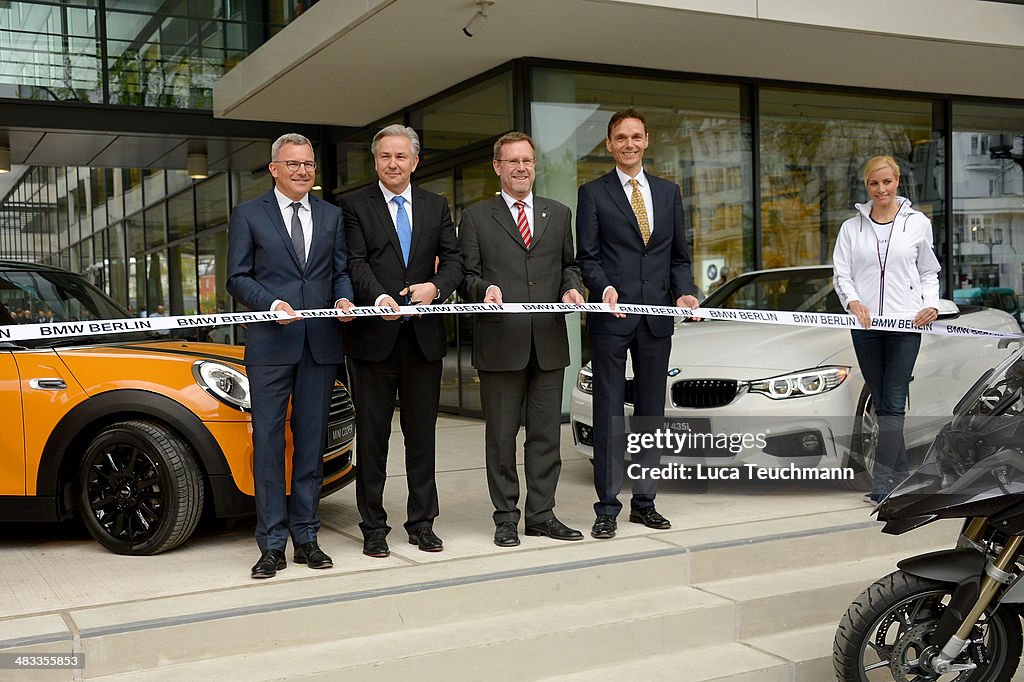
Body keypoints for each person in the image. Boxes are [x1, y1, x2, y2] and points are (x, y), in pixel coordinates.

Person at [226, 132, 355, 578]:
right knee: (268, 445)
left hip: (320, 345)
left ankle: (307, 537)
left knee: (310, 446)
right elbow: (237, 277)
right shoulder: (248, 215)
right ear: (274, 169)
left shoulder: (332, 216)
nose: (303, 171)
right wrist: (269, 304)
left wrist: (342, 300)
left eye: (309, 165)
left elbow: (340, 271)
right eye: (294, 164)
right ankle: (271, 544)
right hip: (270, 346)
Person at [576, 107, 700, 539]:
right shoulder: (593, 193)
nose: (629, 144)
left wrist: (683, 291)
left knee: (650, 413)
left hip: (657, 318)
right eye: (620, 137)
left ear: (647, 141)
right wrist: (603, 288)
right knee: (609, 412)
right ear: (609, 145)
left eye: (636, 136)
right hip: (612, 316)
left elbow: (678, 257)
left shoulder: (669, 193)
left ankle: (644, 502)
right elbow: (587, 257)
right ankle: (607, 506)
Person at [458, 131, 585, 548]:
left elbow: (570, 265)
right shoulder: (476, 218)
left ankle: (542, 515)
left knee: (547, 435)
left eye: (527, 161)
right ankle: (506, 517)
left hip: (548, 344)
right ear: (497, 167)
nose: (520, 168)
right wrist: (484, 291)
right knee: (501, 438)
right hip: (500, 343)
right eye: (511, 161)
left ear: (535, 165)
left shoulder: (559, 213)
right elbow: (467, 277)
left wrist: (571, 289)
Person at [342, 124, 463, 558]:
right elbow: (354, 262)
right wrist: (376, 297)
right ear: (375, 161)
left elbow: (454, 261)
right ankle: (373, 526)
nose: (392, 164)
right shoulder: (355, 206)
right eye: (384, 157)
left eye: (401, 157)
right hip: (373, 339)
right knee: (373, 438)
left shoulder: (436, 205)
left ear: (415, 161)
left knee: (421, 437)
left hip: (423, 340)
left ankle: (422, 523)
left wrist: (436, 287)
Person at [833, 155, 939, 505]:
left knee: (893, 402)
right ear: (867, 186)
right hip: (864, 327)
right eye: (874, 184)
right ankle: (902, 478)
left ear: (897, 182)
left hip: (906, 324)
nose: (881, 189)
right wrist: (852, 302)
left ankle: (882, 484)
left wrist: (932, 304)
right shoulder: (851, 228)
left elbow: (928, 271)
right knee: (881, 403)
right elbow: (841, 275)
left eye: (887, 182)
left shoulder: (917, 223)